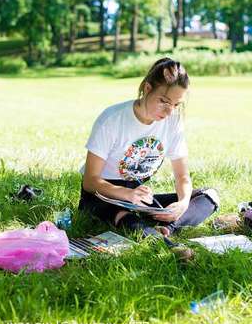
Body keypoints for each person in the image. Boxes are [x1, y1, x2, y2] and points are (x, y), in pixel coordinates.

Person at [79, 58, 219, 239]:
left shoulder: (173, 122)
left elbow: (182, 176)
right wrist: (127, 194)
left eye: (176, 105)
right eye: (164, 101)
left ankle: (170, 228)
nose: (169, 111)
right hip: (103, 196)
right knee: (124, 215)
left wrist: (182, 204)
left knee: (209, 195)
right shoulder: (113, 119)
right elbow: (90, 182)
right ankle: (153, 236)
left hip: (138, 198)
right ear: (147, 88)